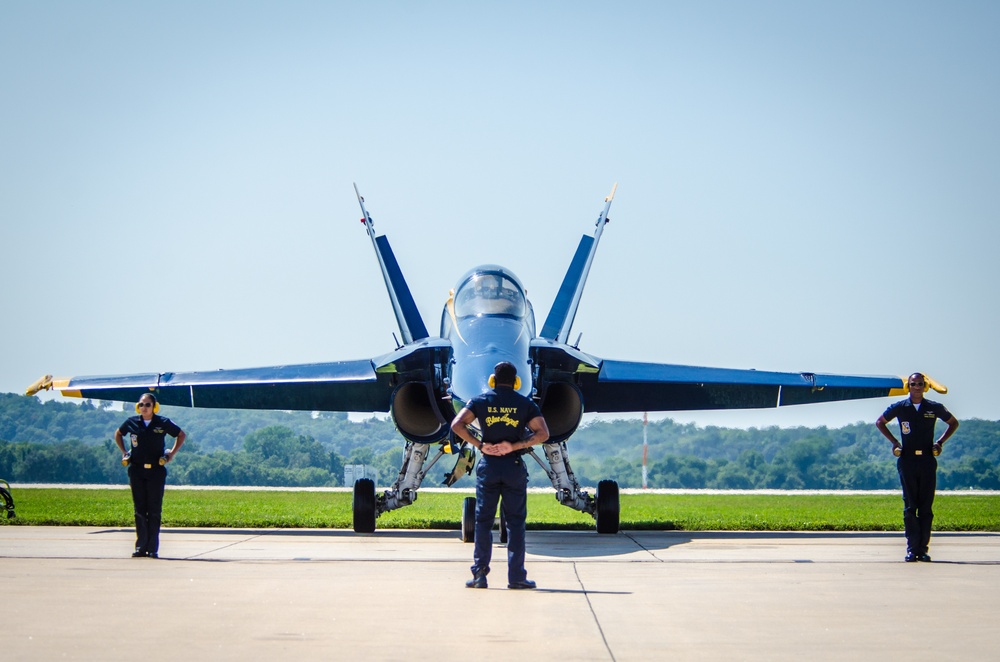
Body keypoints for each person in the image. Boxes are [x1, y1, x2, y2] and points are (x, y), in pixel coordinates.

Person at [450, 361, 549, 589]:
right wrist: (513, 446)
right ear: (516, 382)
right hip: (513, 467)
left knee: (483, 521)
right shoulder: (525, 404)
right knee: (515, 523)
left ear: (492, 381)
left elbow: (457, 424)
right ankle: (516, 577)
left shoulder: (481, 401)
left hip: (489, 466)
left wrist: (480, 444)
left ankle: (479, 575)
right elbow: (543, 433)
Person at [876, 372, 959, 562]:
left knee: (926, 507)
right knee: (910, 506)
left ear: (925, 386)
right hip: (907, 460)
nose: (917, 387)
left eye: (920, 384)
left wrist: (939, 442)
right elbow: (880, 422)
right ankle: (912, 548)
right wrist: (895, 442)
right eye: (913, 384)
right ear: (908, 387)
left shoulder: (933, 407)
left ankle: (923, 549)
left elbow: (953, 423)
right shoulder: (900, 407)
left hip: (927, 460)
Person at [114, 393, 186, 558]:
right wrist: (125, 452)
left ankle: (153, 548)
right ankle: (141, 546)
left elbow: (181, 435)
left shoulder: (163, 423)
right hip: (137, 470)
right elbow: (118, 433)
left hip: (155, 470)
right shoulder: (132, 422)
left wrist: (171, 454)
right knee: (139, 509)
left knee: (154, 510)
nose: (144, 408)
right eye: (141, 405)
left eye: (147, 405)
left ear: (154, 406)